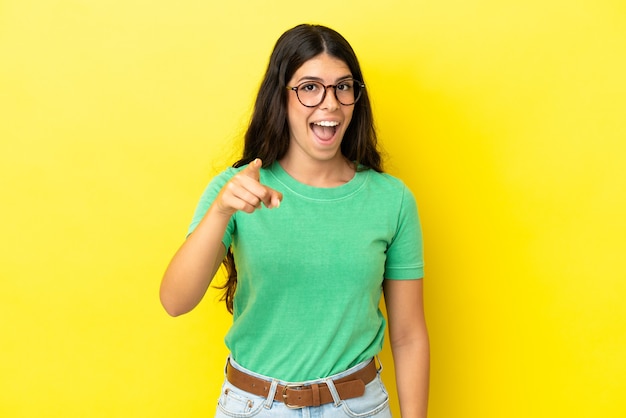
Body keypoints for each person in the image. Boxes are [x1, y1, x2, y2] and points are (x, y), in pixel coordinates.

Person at [160, 23, 429, 418]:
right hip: (253, 406)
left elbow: (408, 336)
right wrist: (220, 212)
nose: (330, 104)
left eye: (343, 86)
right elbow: (175, 301)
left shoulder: (392, 200)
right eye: (309, 87)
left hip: (358, 407)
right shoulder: (236, 189)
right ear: (280, 97)